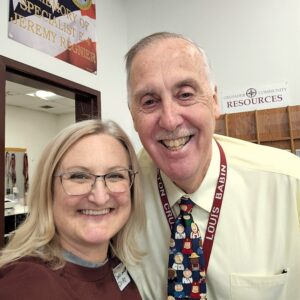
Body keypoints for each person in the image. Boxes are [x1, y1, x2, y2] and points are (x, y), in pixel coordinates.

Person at [124, 31, 300, 299]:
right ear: (133, 116)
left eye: (185, 94)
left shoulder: (290, 185)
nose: (170, 120)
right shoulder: (119, 194)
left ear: (215, 101)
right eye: (149, 101)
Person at [0, 119, 144, 299]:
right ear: (48, 190)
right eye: (79, 176)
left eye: (115, 175)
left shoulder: (114, 263)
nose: (100, 198)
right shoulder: (27, 285)